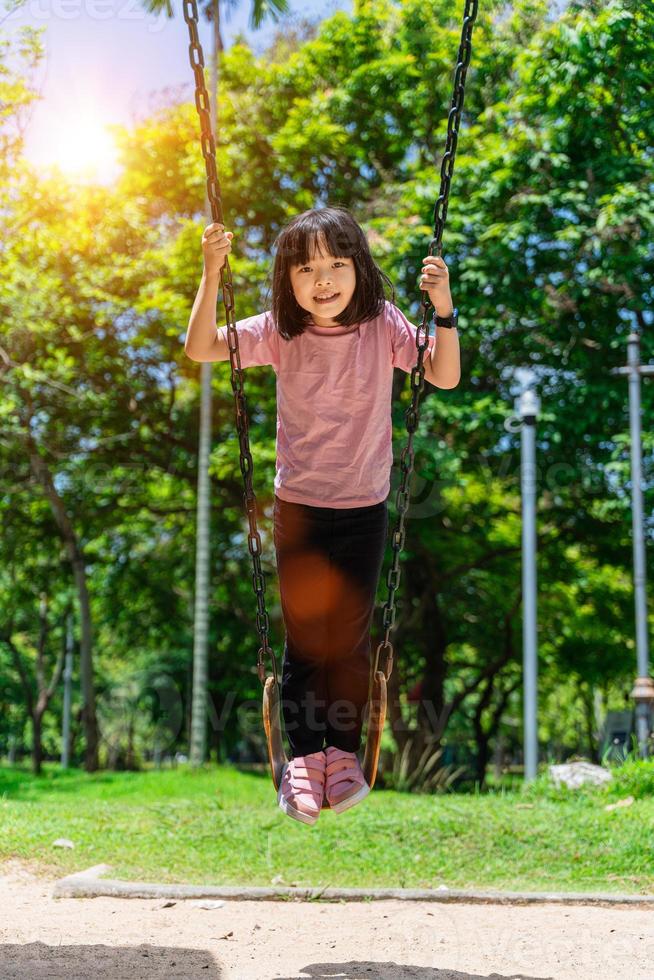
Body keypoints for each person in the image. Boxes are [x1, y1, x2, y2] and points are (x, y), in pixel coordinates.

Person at [185, 206, 460, 826]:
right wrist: (211, 270)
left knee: (351, 639)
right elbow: (202, 346)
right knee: (309, 640)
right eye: (307, 269)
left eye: (337, 265)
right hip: (301, 506)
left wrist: (443, 308)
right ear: (287, 279)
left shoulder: (383, 325)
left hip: (364, 504)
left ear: (359, 269)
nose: (324, 280)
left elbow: (443, 374)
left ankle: (343, 756)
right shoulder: (282, 331)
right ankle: (303, 762)